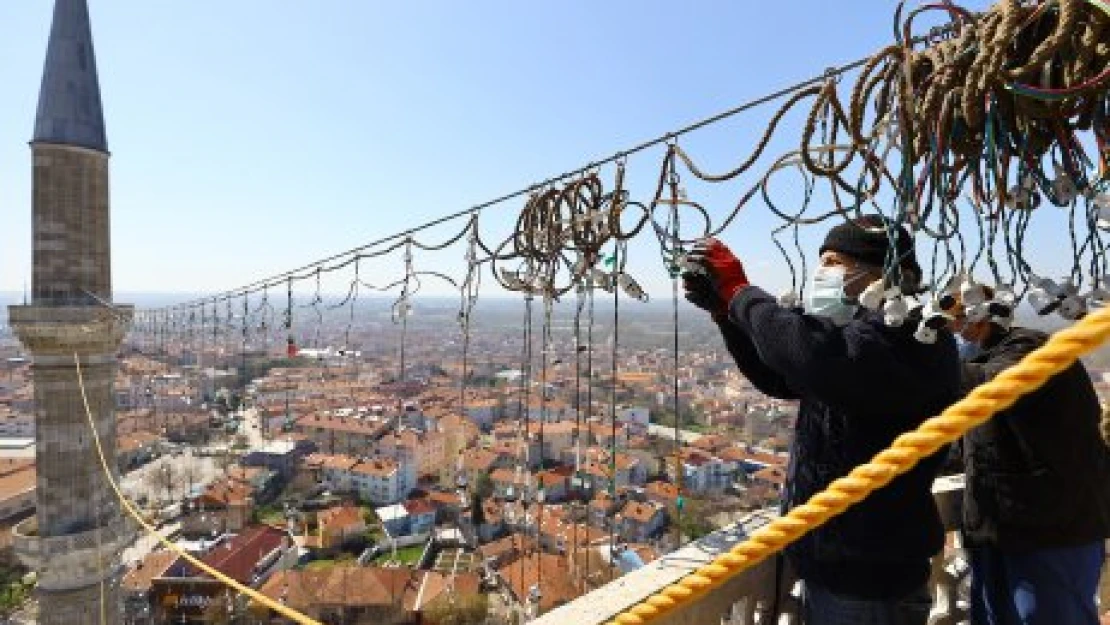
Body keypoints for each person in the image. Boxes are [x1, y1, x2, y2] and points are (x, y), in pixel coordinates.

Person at [683, 215, 961, 625]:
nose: (822, 273)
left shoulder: (912, 339)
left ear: (882, 275)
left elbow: (811, 356)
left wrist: (739, 293)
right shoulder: (863, 338)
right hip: (839, 569)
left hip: (868, 580)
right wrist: (726, 314)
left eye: (834, 262)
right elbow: (780, 378)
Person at [949, 285, 1110, 625]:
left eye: (956, 320)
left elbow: (990, 382)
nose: (951, 330)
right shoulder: (990, 353)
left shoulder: (1029, 350)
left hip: (1050, 530)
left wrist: (919, 359)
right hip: (1004, 529)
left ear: (982, 317)